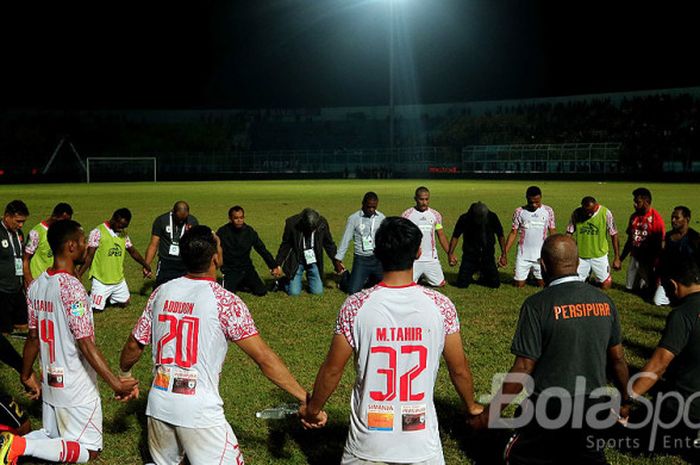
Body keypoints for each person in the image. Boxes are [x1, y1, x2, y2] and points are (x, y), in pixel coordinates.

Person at [119, 225, 314, 464]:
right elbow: (264, 358)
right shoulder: (225, 301)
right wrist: (304, 397)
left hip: (158, 403)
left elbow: (133, 346)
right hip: (199, 410)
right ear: (215, 258)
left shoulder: (161, 292)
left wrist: (125, 374)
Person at [301, 217, 483, 465]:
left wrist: (313, 411)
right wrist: (471, 407)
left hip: (368, 443)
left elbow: (333, 370)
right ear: (418, 253)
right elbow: (459, 370)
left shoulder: (355, 306)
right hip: (420, 443)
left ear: (376, 253)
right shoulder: (441, 306)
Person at [469, 235, 629, 464]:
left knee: (511, 454)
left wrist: (488, 415)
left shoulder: (537, 305)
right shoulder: (605, 301)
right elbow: (618, 359)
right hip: (593, 407)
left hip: (549, 407)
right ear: (577, 263)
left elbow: (523, 368)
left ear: (543, 265)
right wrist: (625, 399)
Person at [1, 220, 138, 464]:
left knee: (52, 435)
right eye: (84, 242)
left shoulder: (36, 285)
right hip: (76, 386)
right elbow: (85, 343)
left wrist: (25, 374)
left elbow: (33, 336)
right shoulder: (73, 289)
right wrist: (116, 384)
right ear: (71, 246)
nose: (87, 246)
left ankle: (8, 443)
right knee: (90, 449)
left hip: (50, 380)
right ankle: (18, 445)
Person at [621, 254, 700, 458]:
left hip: (686, 410)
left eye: (665, 288)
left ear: (673, 286)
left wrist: (628, 400)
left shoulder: (683, 314)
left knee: (624, 434)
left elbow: (658, 365)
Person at [76, 208, 152, 312]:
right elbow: (89, 256)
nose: (122, 229)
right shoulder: (98, 232)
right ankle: (92, 297)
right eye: (120, 226)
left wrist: (145, 265)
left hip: (118, 279)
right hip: (101, 279)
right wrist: (79, 274)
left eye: (125, 226)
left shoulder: (123, 234)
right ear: (114, 219)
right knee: (96, 309)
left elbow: (132, 251)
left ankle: (106, 297)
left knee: (124, 303)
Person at [275, 208, 341, 296]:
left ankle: (309, 280)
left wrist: (336, 260)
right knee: (294, 293)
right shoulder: (292, 223)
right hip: (297, 261)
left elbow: (329, 244)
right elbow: (285, 244)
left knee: (318, 292)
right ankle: (283, 282)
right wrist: (277, 264)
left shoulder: (322, 223)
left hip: (313, 261)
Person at [216, 205, 280, 297]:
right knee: (228, 295)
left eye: (241, 217)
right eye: (236, 218)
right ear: (230, 218)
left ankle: (242, 282)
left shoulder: (249, 232)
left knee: (261, 291)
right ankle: (237, 283)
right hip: (230, 269)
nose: (239, 220)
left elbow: (261, 249)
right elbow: (214, 250)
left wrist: (273, 265)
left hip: (246, 268)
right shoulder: (222, 232)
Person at [502, 186, 556, 288]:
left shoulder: (548, 211)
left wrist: (555, 250)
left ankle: (534, 275)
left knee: (543, 285)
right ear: (526, 198)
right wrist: (504, 253)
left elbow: (552, 230)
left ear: (541, 198)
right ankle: (524, 274)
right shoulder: (519, 211)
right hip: (523, 254)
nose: (534, 205)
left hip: (540, 255)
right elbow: (513, 232)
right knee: (519, 285)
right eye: (531, 202)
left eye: (537, 202)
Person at [335, 192, 385, 294]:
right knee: (353, 291)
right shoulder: (354, 218)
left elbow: (385, 239)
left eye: (374, 207)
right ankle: (345, 279)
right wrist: (338, 259)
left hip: (377, 259)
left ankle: (369, 279)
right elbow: (346, 238)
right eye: (368, 207)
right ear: (363, 204)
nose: (371, 210)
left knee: (384, 287)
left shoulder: (381, 218)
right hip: (361, 259)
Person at [566, 196, 621, 289]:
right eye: (587, 211)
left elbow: (614, 234)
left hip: (599, 255)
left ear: (596, 206)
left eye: (591, 211)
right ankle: (586, 276)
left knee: (606, 285)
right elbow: (569, 232)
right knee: (575, 286)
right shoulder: (576, 213)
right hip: (582, 256)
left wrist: (617, 258)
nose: (589, 214)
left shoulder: (606, 213)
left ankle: (596, 276)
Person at [619, 187, 665, 297]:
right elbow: (630, 240)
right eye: (634, 201)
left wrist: (655, 264)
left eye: (637, 201)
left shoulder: (656, 220)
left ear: (646, 201)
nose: (634, 204)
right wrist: (620, 259)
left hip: (648, 259)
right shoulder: (634, 217)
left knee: (651, 289)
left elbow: (660, 246)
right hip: (634, 256)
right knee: (629, 289)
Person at [448, 201, 505, 289]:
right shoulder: (464, 218)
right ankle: (469, 275)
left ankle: (484, 275)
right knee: (462, 284)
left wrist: (503, 254)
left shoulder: (492, 217)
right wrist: (450, 254)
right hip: (470, 256)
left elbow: (500, 235)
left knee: (495, 284)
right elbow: (456, 236)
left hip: (487, 255)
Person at [401, 186, 450, 287]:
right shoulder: (407, 215)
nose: (424, 202)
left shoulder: (435, 215)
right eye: (421, 199)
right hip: (414, 259)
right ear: (415, 199)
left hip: (431, 258)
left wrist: (450, 253)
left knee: (440, 283)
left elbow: (441, 235)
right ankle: (419, 275)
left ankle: (424, 274)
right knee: (406, 285)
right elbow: (403, 238)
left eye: (426, 199)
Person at [652, 206, 700, 306]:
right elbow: (663, 259)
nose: (673, 220)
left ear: (687, 219)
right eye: (672, 217)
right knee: (657, 301)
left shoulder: (695, 238)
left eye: (677, 218)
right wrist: (659, 278)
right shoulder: (668, 237)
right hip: (671, 279)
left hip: (689, 279)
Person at [144, 201, 199, 287]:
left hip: (184, 263)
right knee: (161, 289)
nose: (181, 222)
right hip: (166, 262)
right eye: (179, 219)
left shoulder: (193, 221)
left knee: (183, 291)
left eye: (183, 219)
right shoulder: (161, 221)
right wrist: (146, 264)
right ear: (172, 212)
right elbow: (153, 244)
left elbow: (195, 245)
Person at [22, 202, 73, 288]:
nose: (65, 225)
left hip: (54, 283)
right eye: (63, 221)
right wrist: (30, 282)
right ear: (54, 216)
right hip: (38, 283)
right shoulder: (37, 233)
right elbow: (25, 260)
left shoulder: (61, 232)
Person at [0, 200, 29, 336]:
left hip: (17, 287)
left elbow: (22, 256)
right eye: (18, 221)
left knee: (24, 326)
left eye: (23, 221)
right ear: (7, 216)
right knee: (5, 332)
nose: (21, 225)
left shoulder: (19, 233)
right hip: (2, 290)